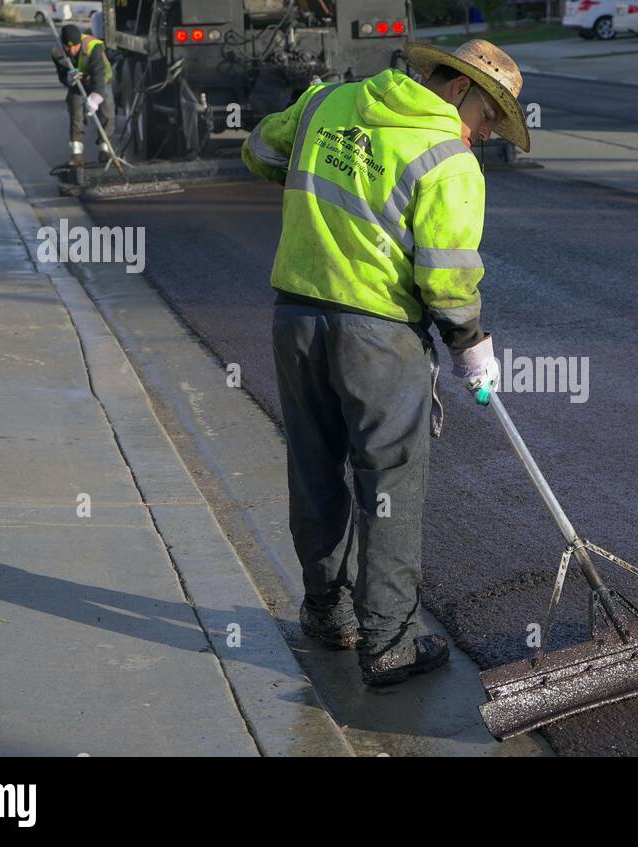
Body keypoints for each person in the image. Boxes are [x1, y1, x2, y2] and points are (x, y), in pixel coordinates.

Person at [241, 40, 530, 685]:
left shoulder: (327, 102)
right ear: (458, 91)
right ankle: (389, 641)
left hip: (297, 320)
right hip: (378, 338)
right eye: (488, 120)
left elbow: (260, 150)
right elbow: (447, 276)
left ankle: (328, 615)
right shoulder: (449, 161)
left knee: (314, 469)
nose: (483, 137)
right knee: (390, 483)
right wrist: (470, 343)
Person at [51, 23, 114, 168]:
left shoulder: (93, 46)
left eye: (75, 46)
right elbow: (61, 76)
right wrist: (68, 78)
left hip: (101, 80)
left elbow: (99, 75)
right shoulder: (57, 53)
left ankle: (105, 151)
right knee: (76, 113)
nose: (72, 50)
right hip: (77, 83)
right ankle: (77, 154)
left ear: (80, 42)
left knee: (107, 112)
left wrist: (96, 98)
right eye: (68, 47)